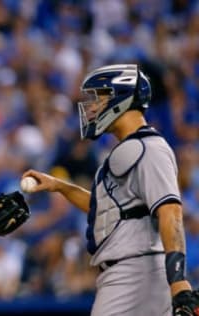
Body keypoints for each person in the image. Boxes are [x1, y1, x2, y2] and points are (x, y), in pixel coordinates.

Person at [22, 64, 196, 315]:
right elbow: (107, 210)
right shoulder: (129, 149)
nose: (91, 107)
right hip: (128, 272)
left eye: (99, 97)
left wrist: (178, 279)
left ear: (122, 97)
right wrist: (60, 186)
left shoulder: (150, 148)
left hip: (138, 271)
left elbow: (171, 212)